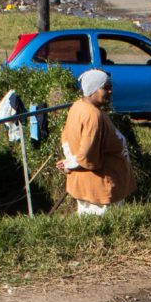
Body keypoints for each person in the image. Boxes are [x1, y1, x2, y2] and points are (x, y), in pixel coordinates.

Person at [58, 69, 135, 216]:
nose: (110, 91)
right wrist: (70, 164)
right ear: (93, 89)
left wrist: (69, 160)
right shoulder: (93, 115)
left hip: (87, 188)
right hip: (100, 192)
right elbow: (88, 154)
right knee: (104, 232)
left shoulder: (77, 106)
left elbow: (65, 138)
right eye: (106, 87)